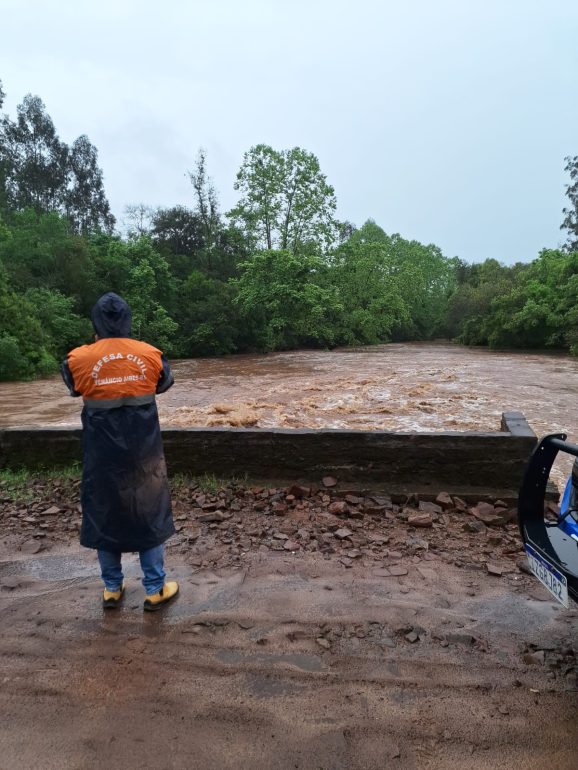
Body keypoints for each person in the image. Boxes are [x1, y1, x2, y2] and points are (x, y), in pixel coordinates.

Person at [61, 292, 179, 611]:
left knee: (104, 512)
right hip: (144, 453)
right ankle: (155, 588)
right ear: (128, 321)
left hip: (102, 457)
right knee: (149, 512)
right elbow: (164, 383)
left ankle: (112, 588)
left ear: (95, 324)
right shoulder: (150, 354)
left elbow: (73, 388)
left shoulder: (77, 359)